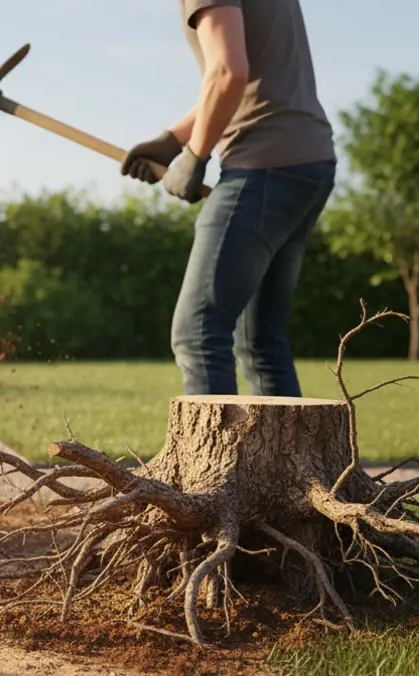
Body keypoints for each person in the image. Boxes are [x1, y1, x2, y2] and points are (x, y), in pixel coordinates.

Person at [120, 0, 336, 397]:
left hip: (264, 166)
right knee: (260, 342)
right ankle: (285, 461)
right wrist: (174, 140)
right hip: (309, 161)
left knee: (198, 332)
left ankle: (214, 462)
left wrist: (195, 156)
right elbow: (250, 74)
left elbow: (228, 73)